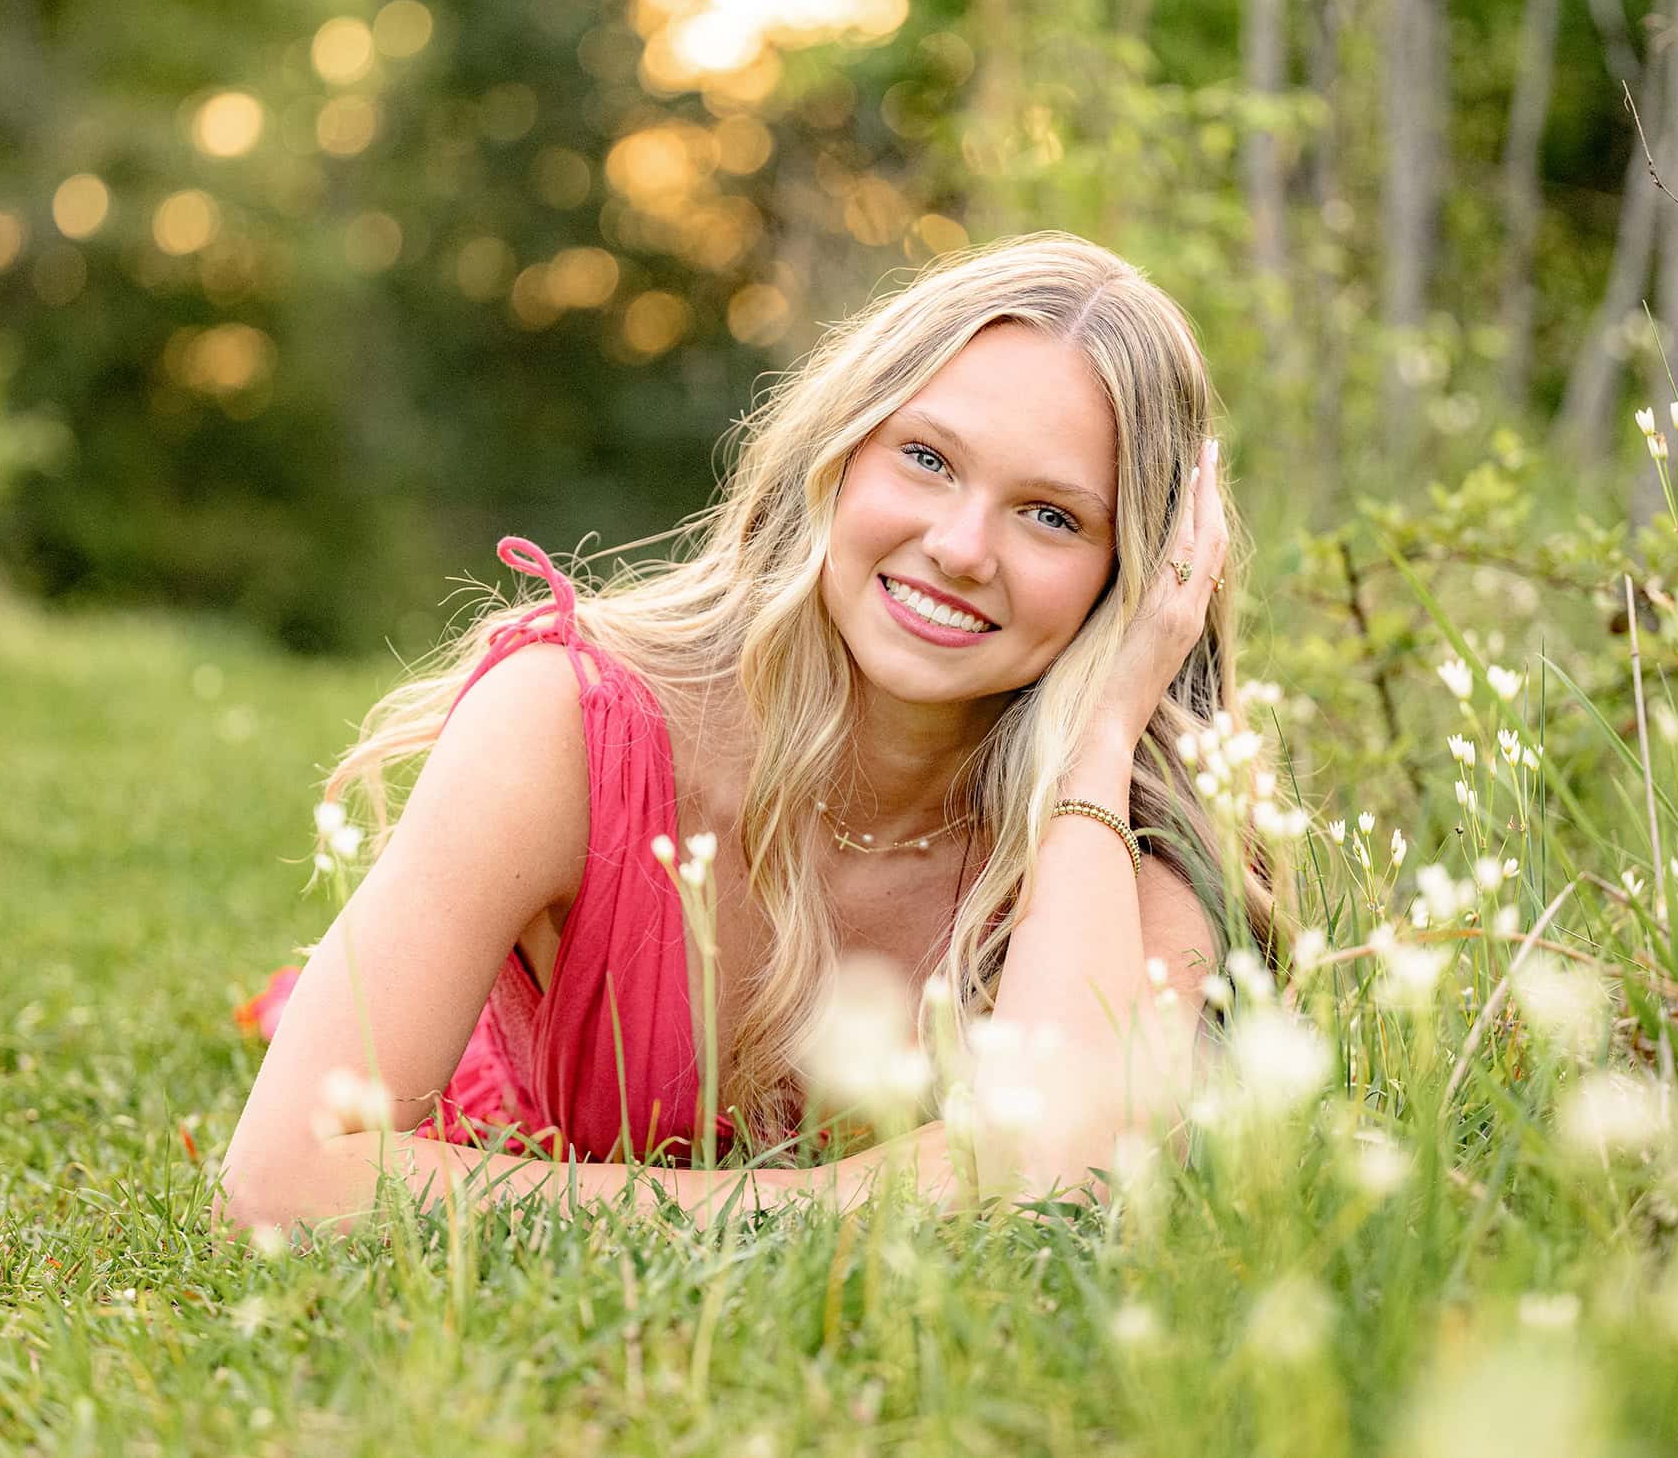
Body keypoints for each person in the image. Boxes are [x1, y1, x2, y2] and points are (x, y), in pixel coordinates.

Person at [216, 231, 1275, 1235]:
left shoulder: (1139, 827)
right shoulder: (566, 725)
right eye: (925, 456)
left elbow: (1067, 1184)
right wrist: (867, 1194)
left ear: (1135, 575)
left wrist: (1092, 750)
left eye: (1051, 515)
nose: (958, 546)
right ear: (840, 451)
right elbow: (280, 1178)